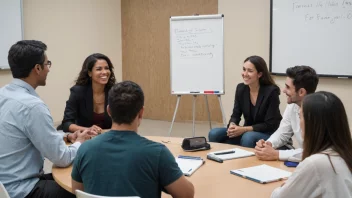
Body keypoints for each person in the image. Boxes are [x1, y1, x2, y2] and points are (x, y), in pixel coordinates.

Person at [0, 40, 95, 198]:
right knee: (84, 186)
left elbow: (34, 134)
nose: (49, 69)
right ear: (37, 68)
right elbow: (62, 158)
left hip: (4, 185)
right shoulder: (33, 106)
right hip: (24, 189)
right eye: (47, 64)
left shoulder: (4, 94)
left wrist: (67, 136)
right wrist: (80, 143)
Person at [71, 81, 195, 198]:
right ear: (141, 113)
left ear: (109, 111)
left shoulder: (84, 149)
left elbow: (76, 191)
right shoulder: (157, 154)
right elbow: (186, 195)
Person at [271, 91, 352, 197]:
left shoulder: (316, 163)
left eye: (300, 117)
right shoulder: (344, 154)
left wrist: (282, 188)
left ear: (312, 123)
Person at [208, 55, 282, 148]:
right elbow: (235, 114)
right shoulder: (241, 88)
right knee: (214, 133)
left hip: (267, 133)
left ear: (259, 74)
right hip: (247, 131)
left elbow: (270, 125)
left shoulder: (271, 91)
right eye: (244, 69)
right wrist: (232, 125)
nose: (245, 74)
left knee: (248, 137)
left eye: (250, 71)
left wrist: (244, 129)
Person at [255, 66, 319, 162]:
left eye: (288, 87)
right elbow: (282, 133)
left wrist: (276, 154)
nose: (284, 90)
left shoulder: (318, 112)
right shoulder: (293, 105)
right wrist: (268, 144)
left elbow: (313, 153)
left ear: (301, 92)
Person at [61, 53, 116, 133]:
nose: (104, 72)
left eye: (107, 68)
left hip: (108, 137)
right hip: (84, 137)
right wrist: (87, 130)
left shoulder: (115, 92)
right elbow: (67, 123)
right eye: (99, 69)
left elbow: (123, 124)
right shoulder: (78, 92)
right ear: (89, 73)